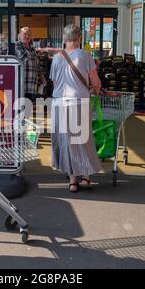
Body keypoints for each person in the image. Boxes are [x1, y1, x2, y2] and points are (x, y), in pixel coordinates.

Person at [50, 24, 103, 193]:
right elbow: (95, 81)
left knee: (67, 141)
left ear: (65, 39)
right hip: (79, 101)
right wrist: (97, 89)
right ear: (79, 38)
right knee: (82, 139)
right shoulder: (85, 55)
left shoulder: (57, 58)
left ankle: (73, 181)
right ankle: (86, 177)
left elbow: (54, 82)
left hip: (59, 103)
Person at [15, 27, 43, 102]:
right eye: (24, 34)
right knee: (21, 109)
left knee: (28, 109)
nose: (27, 36)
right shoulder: (17, 45)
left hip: (32, 85)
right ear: (19, 36)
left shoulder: (32, 48)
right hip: (22, 85)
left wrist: (41, 79)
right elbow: (24, 58)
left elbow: (36, 65)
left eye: (29, 35)